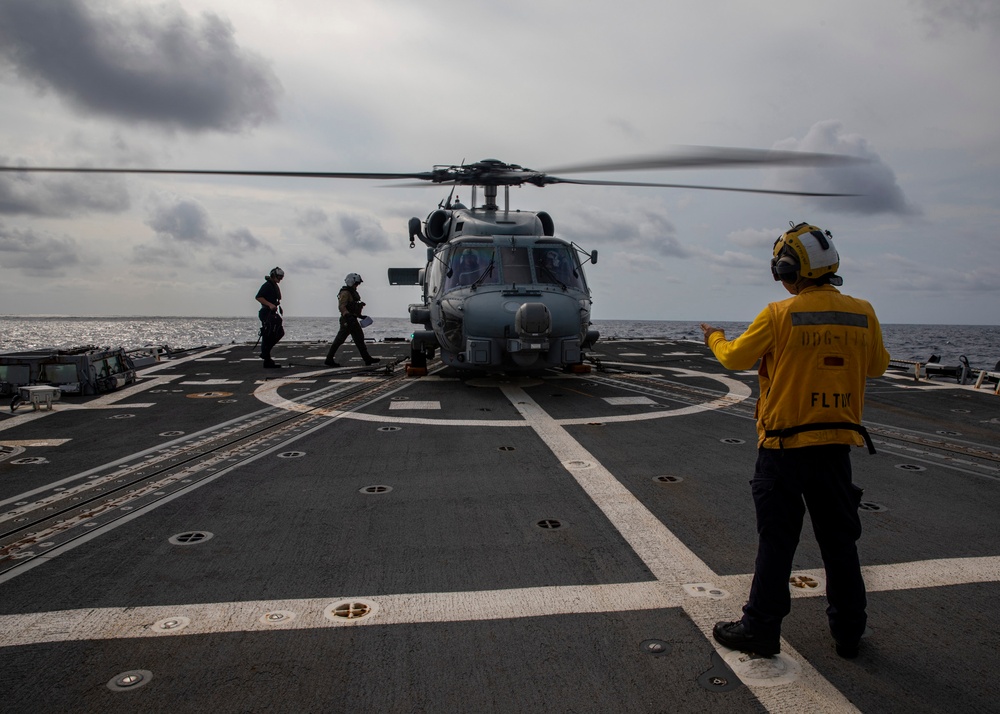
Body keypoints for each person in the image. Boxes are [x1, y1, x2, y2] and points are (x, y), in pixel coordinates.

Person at [700, 222, 890, 660]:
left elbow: (734, 358)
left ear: (787, 269)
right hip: (835, 449)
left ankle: (761, 629)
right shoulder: (864, 312)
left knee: (777, 543)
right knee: (840, 543)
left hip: (783, 450)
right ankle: (848, 632)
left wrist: (713, 336)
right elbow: (877, 366)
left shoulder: (778, 314)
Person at [325, 272, 380, 367]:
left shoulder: (352, 293)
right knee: (339, 340)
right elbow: (342, 306)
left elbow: (353, 307)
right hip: (347, 320)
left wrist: (360, 316)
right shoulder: (345, 293)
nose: (357, 285)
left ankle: (367, 359)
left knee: (359, 339)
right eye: (356, 283)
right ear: (351, 282)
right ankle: (329, 359)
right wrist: (347, 315)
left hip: (352, 319)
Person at [255, 267, 285, 368]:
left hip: (271, 313)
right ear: (273, 276)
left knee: (277, 333)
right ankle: (266, 356)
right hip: (266, 313)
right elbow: (258, 297)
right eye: (279, 277)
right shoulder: (267, 285)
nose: (280, 279)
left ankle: (266, 355)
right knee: (268, 334)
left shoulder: (273, 285)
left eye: (281, 277)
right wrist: (269, 305)